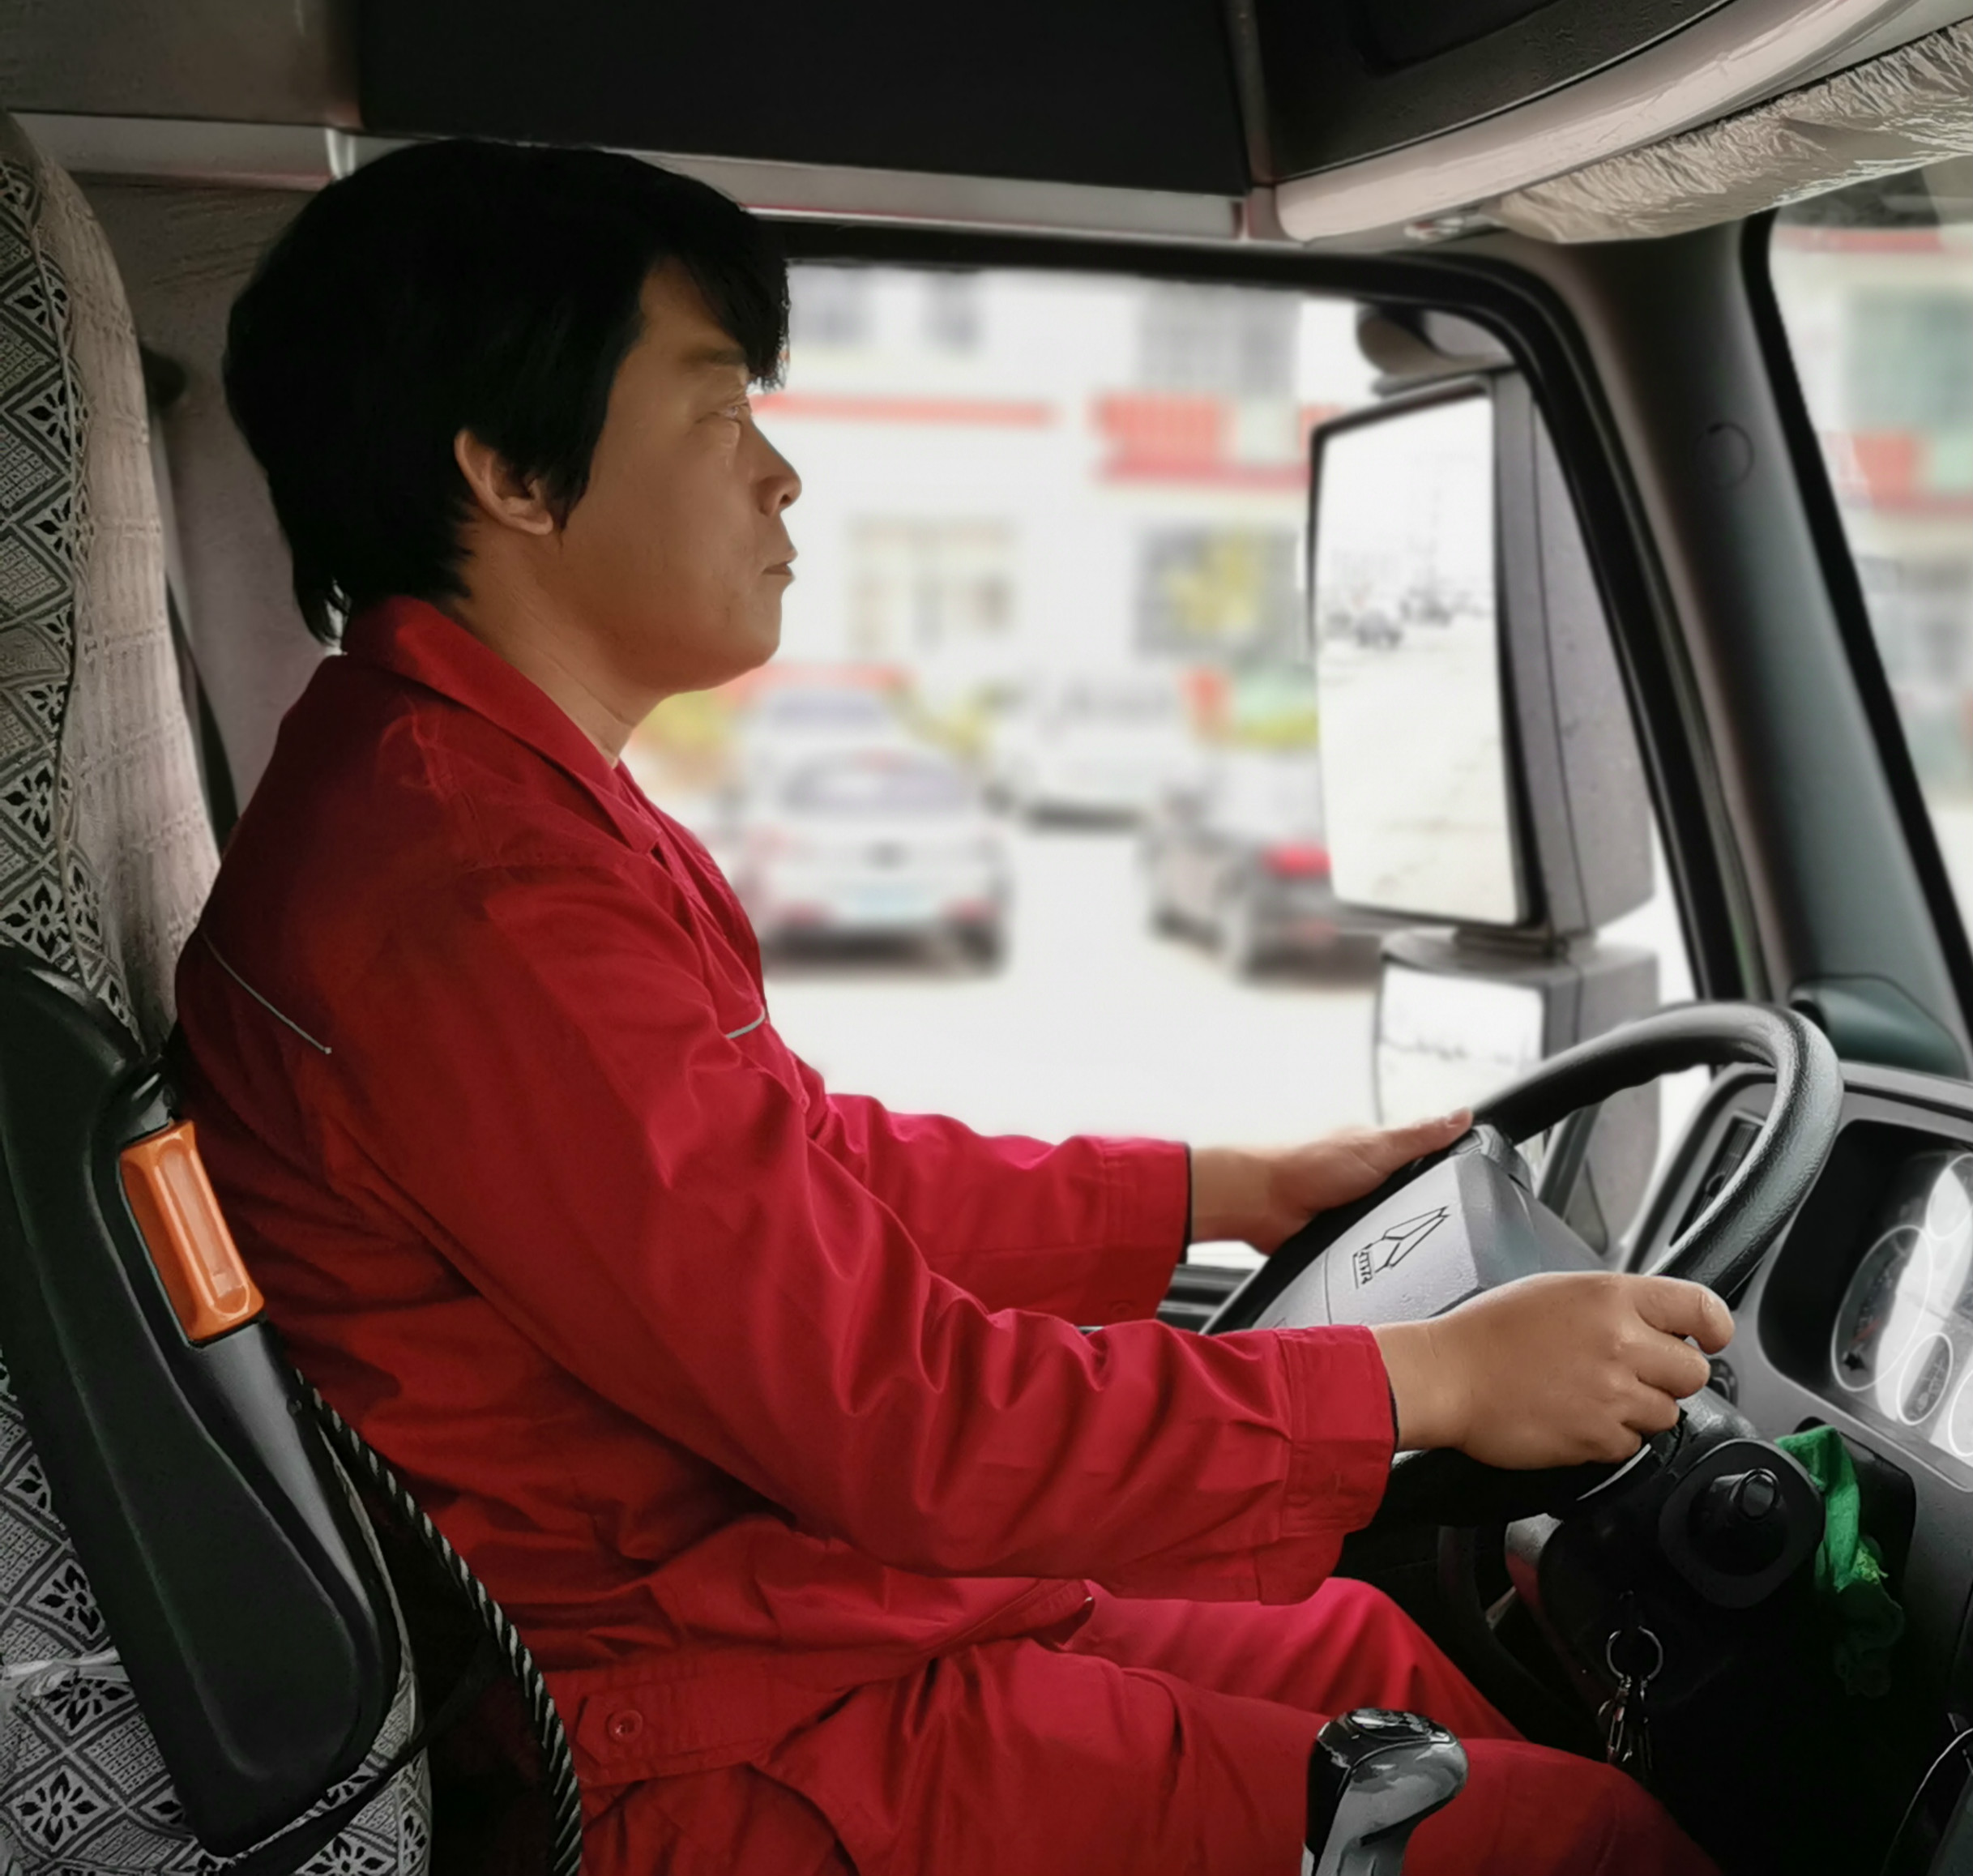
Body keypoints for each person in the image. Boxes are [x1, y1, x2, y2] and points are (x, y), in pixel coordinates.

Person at [177, 139, 1726, 1876]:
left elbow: (797, 1174)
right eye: (716, 412)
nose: (779, 477)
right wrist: (1426, 1381)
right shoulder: (476, 898)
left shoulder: (488, 796)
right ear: (514, 474)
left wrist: (1218, 1192)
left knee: (1360, 1648)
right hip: (705, 1736)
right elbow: (896, 1416)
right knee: (1582, 1849)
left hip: (790, 1616)